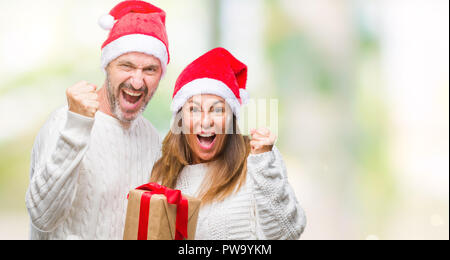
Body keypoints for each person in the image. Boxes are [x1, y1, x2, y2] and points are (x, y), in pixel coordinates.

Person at [25, 1, 170, 239]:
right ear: (107, 66)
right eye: (126, 65)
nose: (137, 81)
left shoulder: (151, 137)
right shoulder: (64, 122)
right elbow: (42, 218)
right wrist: (77, 126)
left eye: (150, 70)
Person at [150, 47, 306, 240]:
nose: (206, 122)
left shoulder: (258, 161)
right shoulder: (163, 174)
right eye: (194, 110)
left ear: (232, 118)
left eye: (217, 110)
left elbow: (289, 233)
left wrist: (264, 164)